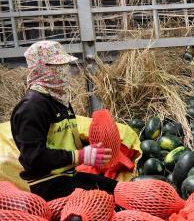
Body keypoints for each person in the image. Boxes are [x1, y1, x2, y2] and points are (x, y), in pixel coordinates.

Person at [10, 40, 116, 200]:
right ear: (40, 69)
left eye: (65, 65)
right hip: (48, 185)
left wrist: (91, 149)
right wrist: (81, 156)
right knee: (107, 202)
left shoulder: (59, 100)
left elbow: (63, 141)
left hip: (68, 176)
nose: (64, 70)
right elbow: (34, 158)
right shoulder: (31, 108)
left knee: (116, 189)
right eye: (57, 66)